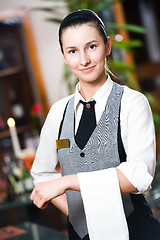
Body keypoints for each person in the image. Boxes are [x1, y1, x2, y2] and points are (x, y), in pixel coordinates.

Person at [30, 9, 160, 240]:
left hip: (136, 232)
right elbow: (42, 174)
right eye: (72, 51)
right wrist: (78, 213)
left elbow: (140, 175)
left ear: (107, 46)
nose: (84, 60)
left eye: (92, 46)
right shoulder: (58, 113)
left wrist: (67, 182)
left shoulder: (133, 103)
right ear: (64, 55)